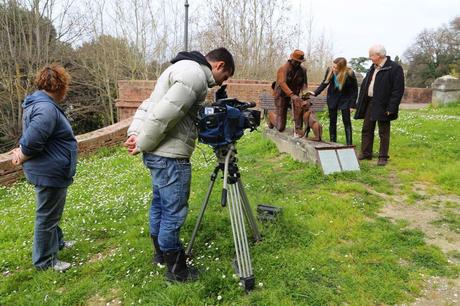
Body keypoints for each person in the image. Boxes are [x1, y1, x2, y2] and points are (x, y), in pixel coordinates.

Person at [124, 48, 234, 282]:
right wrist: (141, 142)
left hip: (159, 154)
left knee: (160, 206)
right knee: (173, 213)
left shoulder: (177, 68)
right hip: (170, 157)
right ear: (220, 66)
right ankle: (177, 271)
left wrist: (136, 132)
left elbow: (148, 105)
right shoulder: (194, 76)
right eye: (224, 78)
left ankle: (161, 255)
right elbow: (164, 114)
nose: (219, 84)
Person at [10, 64, 77, 272]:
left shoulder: (37, 103)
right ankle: (45, 262)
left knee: (51, 212)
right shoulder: (46, 108)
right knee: (47, 216)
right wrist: (22, 154)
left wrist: (23, 150)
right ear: (61, 86)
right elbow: (32, 142)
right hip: (48, 170)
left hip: (48, 168)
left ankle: (57, 243)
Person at [354, 44, 405, 166]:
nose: (369, 58)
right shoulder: (372, 67)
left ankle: (383, 157)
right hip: (370, 103)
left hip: (384, 104)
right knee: (367, 128)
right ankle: (366, 153)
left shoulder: (394, 68)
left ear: (379, 55)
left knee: (383, 131)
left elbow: (398, 90)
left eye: (371, 55)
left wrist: (391, 107)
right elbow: (367, 85)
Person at [309, 57, 358, 145]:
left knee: (346, 121)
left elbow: (354, 90)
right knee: (332, 121)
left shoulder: (350, 73)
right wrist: (314, 93)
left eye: (336, 68)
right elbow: (324, 83)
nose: (334, 69)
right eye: (333, 66)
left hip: (345, 99)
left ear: (342, 68)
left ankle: (349, 144)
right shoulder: (330, 71)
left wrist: (352, 105)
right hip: (332, 98)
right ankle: (333, 142)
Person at [268, 49, 317, 138]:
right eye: (297, 62)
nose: (298, 64)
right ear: (292, 59)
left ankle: (298, 129)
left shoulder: (303, 70)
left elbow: (304, 84)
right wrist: (291, 95)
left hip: (295, 95)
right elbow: (282, 83)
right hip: (281, 96)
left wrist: (304, 92)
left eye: (300, 62)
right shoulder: (283, 69)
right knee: (280, 127)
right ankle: (271, 116)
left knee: (299, 106)